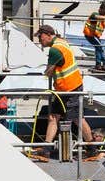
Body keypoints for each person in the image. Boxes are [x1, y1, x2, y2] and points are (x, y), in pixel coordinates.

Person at [31, 24, 99, 160]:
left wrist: (45, 71)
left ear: (49, 35)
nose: (40, 39)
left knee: (77, 119)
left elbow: (48, 72)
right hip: (65, 89)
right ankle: (46, 150)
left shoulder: (55, 50)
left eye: (41, 36)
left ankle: (92, 150)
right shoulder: (61, 42)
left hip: (70, 89)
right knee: (53, 117)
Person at [83, 2, 105, 69]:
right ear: (99, 9)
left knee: (98, 48)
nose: (104, 12)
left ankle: (99, 64)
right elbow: (96, 17)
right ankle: (104, 62)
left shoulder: (103, 18)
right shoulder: (95, 14)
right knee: (100, 47)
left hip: (95, 36)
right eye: (103, 10)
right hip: (90, 35)